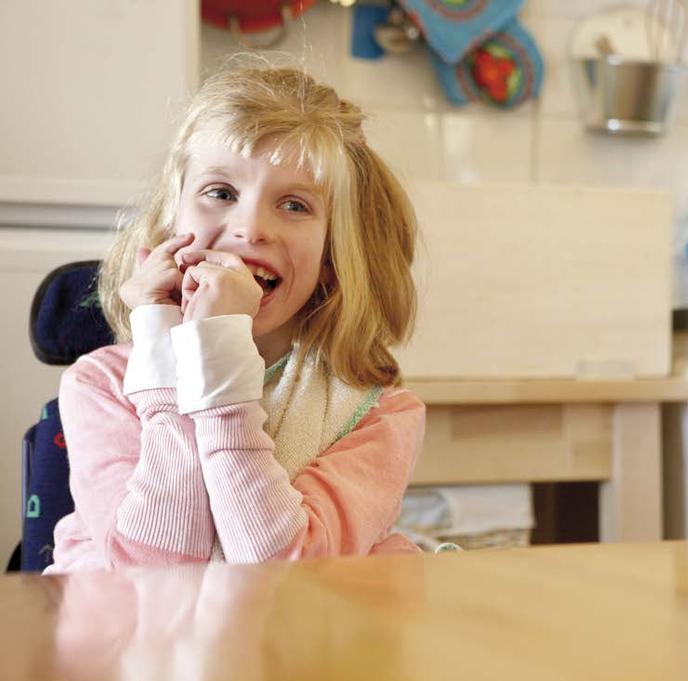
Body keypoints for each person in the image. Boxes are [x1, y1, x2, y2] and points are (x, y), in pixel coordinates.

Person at [45, 66, 425, 573]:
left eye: (294, 205)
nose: (249, 229)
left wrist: (219, 366)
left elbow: (282, 571)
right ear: (167, 229)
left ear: (335, 258)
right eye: (220, 193)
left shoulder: (378, 414)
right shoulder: (100, 385)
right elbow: (150, 572)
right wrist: (171, 354)